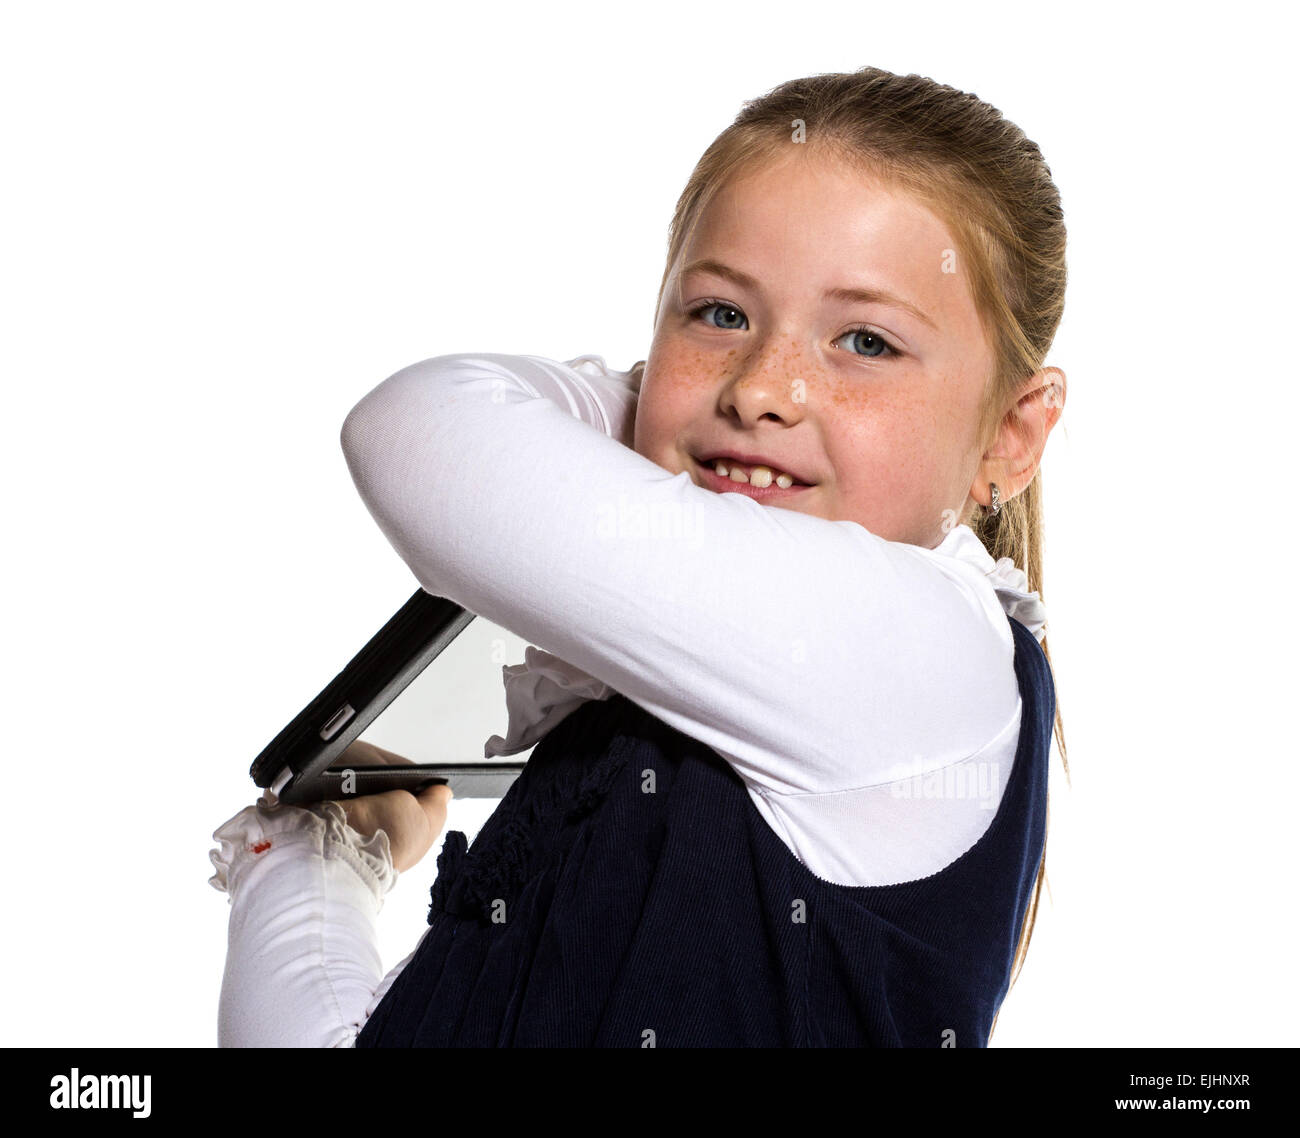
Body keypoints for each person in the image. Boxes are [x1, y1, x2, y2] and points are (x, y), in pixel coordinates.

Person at [209, 65, 1070, 1047]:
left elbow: (414, 429)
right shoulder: (636, 743)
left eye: (864, 340)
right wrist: (311, 857)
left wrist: (634, 416)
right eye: (719, 315)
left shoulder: (922, 654)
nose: (760, 389)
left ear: (1011, 432)